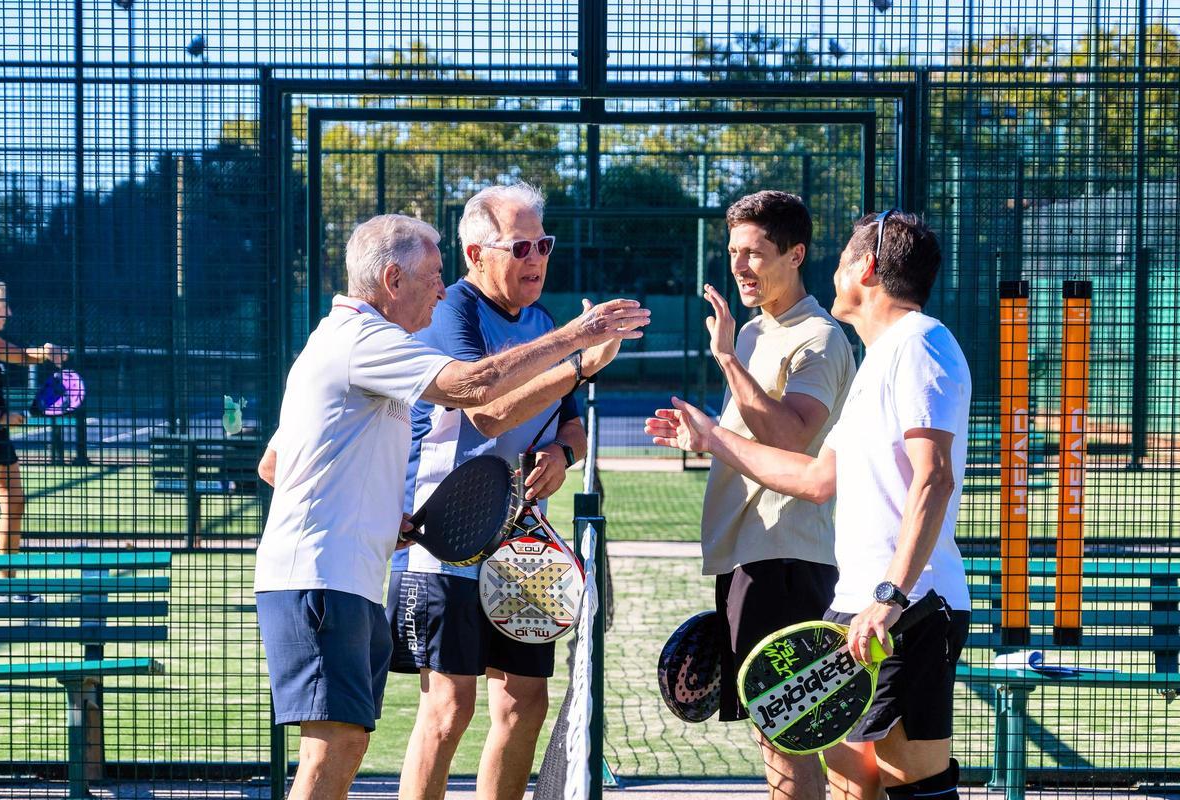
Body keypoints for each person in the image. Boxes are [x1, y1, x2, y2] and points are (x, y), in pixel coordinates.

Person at [253, 213, 649, 800]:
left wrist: (374, 515)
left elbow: (275, 464)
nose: (442, 288)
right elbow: (477, 390)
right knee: (334, 745)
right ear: (392, 279)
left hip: (345, 573)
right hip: (318, 577)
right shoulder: (362, 338)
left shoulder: (352, 344)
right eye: (433, 275)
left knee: (346, 743)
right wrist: (577, 340)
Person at [647, 210, 971, 800]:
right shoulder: (878, 359)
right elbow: (818, 477)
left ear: (867, 269)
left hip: (911, 606)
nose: (835, 268)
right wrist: (710, 438)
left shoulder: (922, 342)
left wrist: (891, 597)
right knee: (850, 778)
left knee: (914, 787)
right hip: (857, 607)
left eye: (845, 258)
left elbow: (935, 478)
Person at [387, 182, 628, 800]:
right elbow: (486, 410)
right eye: (520, 246)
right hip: (446, 543)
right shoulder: (451, 311)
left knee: (524, 703)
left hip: (526, 553)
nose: (536, 259)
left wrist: (563, 452)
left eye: (542, 244)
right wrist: (577, 357)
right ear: (475, 254)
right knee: (449, 708)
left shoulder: (547, 322)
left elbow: (570, 421)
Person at [693, 191, 854, 800]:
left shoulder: (819, 337)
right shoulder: (759, 331)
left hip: (787, 559)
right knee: (789, 732)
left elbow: (791, 434)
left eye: (755, 253)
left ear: (796, 254)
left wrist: (728, 360)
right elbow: (750, 437)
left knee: (785, 732)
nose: (739, 266)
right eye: (734, 252)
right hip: (750, 556)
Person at [0, 278, 68, 587]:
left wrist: (45, 352)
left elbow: (20, 354)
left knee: (15, 502)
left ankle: (7, 588)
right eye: (5, 304)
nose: (11, 312)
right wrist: (1, 416)